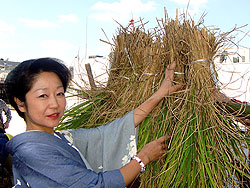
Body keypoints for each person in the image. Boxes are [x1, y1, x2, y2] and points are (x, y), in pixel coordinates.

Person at [4, 57, 182, 187]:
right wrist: (143, 158)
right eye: (43, 95)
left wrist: (160, 93)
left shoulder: (62, 138)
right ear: (21, 103)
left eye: (59, 93)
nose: (55, 104)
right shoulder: (32, 152)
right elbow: (95, 186)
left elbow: (110, 132)